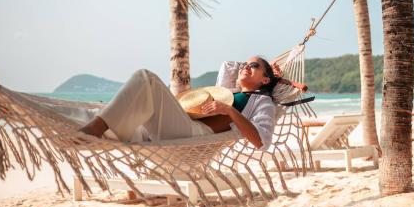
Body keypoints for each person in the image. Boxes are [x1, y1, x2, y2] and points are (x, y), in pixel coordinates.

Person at [78, 57, 281, 150]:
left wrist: (229, 110)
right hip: (174, 125)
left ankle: (94, 128)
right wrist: (260, 67)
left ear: (265, 80)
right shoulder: (230, 90)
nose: (245, 67)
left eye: (253, 66)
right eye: (245, 64)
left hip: (192, 132)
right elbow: (228, 65)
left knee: (146, 78)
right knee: (95, 113)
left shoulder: (263, 102)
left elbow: (261, 141)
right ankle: (69, 128)